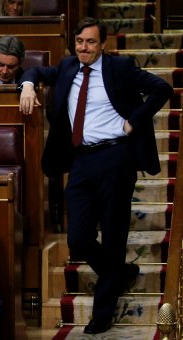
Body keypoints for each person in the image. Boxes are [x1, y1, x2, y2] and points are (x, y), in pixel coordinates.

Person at [18, 17, 174, 334]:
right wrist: (28, 84)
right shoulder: (66, 68)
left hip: (116, 157)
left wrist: (136, 119)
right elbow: (33, 70)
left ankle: (102, 314)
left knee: (114, 237)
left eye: (90, 42)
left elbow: (162, 88)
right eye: (79, 42)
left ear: (102, 43)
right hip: (81, 161)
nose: (84, 48)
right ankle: (120, 272)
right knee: (78, 238)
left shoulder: (119, 68)